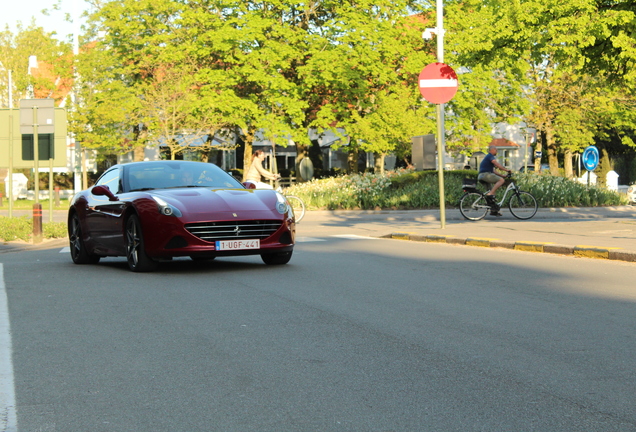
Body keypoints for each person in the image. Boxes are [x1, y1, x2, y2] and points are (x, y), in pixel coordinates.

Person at [478, 145, 512, 216]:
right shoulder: (490, 156)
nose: (496, 151)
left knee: (492, 195)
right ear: (492, 150)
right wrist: (506, 170)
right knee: (501, 181)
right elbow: (497, 164)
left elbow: (493, 171)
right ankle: (490, 193)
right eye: (496, 150)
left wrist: (503, 175)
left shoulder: (488, 158)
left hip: (481, 176)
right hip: (485, 175)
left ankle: (493, 211)